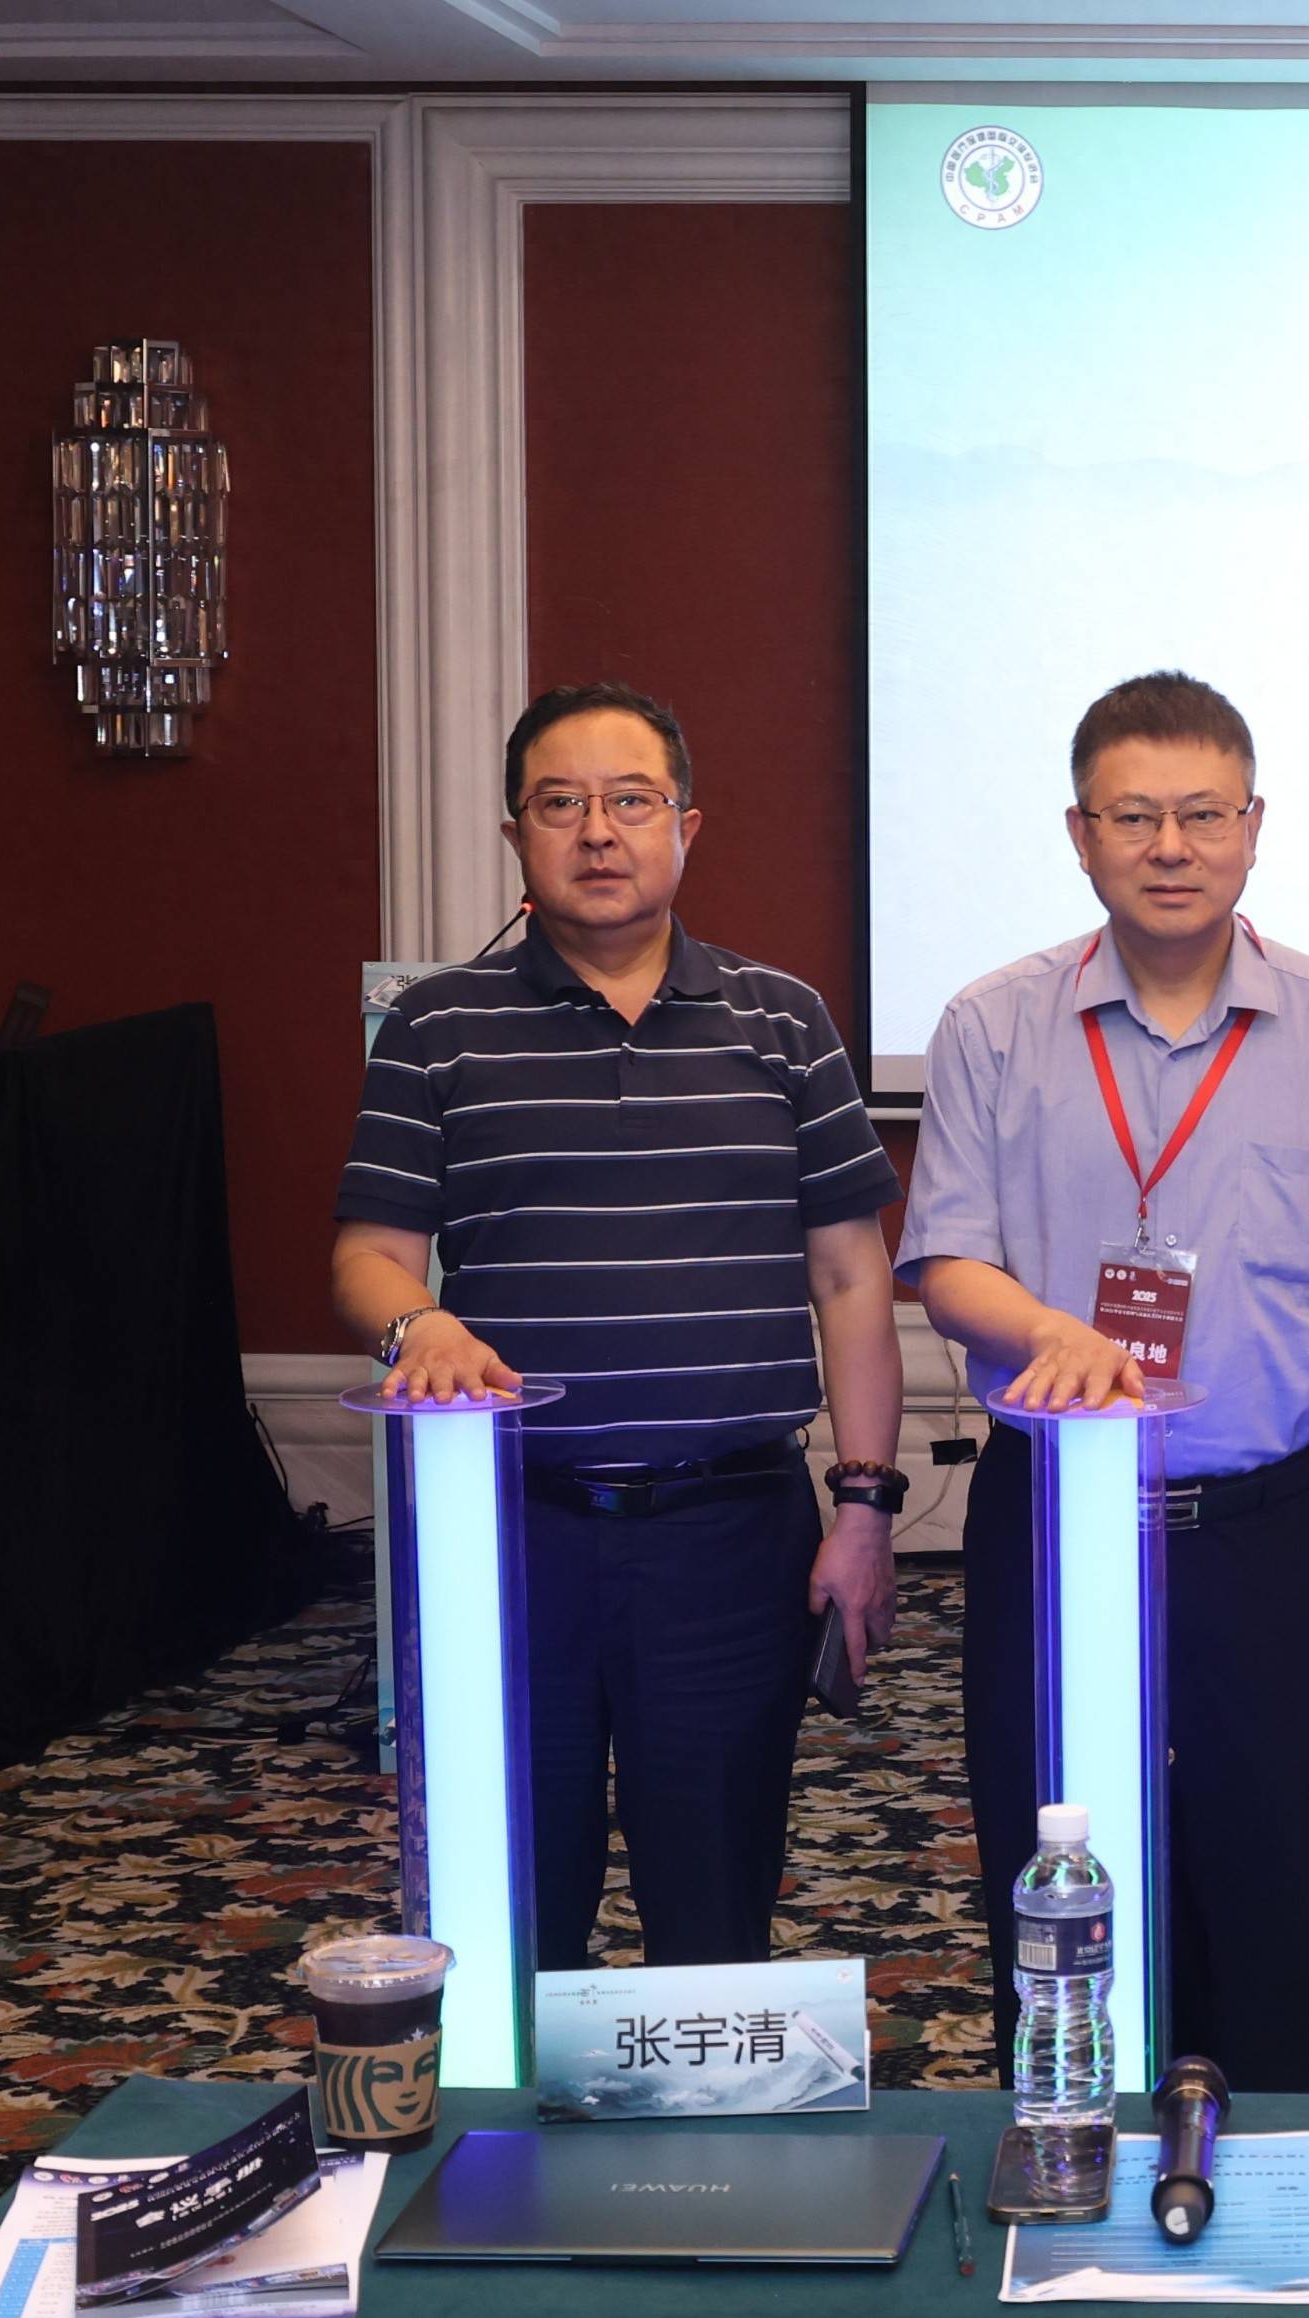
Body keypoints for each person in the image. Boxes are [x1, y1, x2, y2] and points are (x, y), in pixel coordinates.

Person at [900, 670, 1309, 2087]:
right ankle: (1070, 2153)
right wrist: (1050, 1331)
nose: (1169, 846)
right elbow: (944, 1262)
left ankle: (1284, 2173)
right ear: (1079, 833)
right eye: (1133, 817)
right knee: (1054, 1875)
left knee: (1279, 1886)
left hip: (1275, 1529)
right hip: (1056, 1518)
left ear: (1253, 826)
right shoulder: (993, 1024)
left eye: (1202, 815)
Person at [330, 680, 906, 1971]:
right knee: (509, 1909)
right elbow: (367, 1257)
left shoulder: (784, 1019)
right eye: (561, 803)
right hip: (509, 1533)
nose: (598, 831)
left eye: (631, 800)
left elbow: (851, 1278)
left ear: (686, 827)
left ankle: (708, 2111)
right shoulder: (435, 1028)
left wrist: (866, 1505)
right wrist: (418, 1323)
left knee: (716, 1910)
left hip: (728, 1536)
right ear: (515, 835)